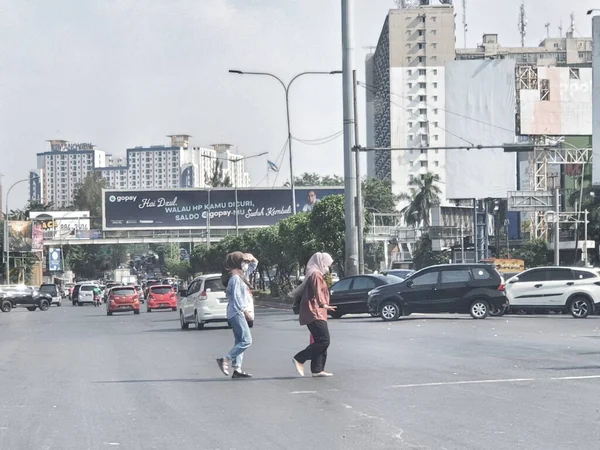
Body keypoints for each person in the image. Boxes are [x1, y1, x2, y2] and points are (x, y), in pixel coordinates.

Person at [291, 252, 336, 378]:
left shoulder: (314, 273)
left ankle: (317, 369)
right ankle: (300, 358)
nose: (328, 267)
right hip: (315, 312)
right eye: (327, 264)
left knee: (320, 341)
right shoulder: (316, 274)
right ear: (322, 263)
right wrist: (324, 304)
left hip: (316, 312)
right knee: (324, 341)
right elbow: (318, 291)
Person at [216, 251, 258, 379]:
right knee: (247, 340)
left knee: (239, 341)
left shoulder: (241, 275)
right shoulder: (235, 278)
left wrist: (251, 257)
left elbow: (254, 265)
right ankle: (225, 359)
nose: (245, 264)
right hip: (236, 312)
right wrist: (245, 312)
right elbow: (236, 297)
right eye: (243, 262)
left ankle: (237, 369)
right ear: (235, 263)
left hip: (235, 312)